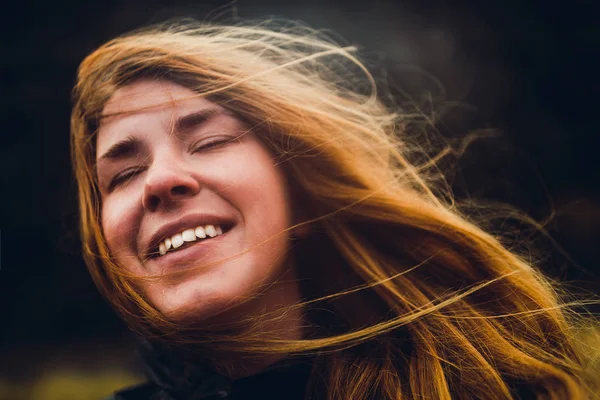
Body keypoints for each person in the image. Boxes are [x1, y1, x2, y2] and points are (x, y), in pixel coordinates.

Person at [70, 20, 598, 399]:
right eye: (124, 175)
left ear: (299, 189)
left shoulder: (483, 385)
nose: (159, 181)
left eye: (207, 142)